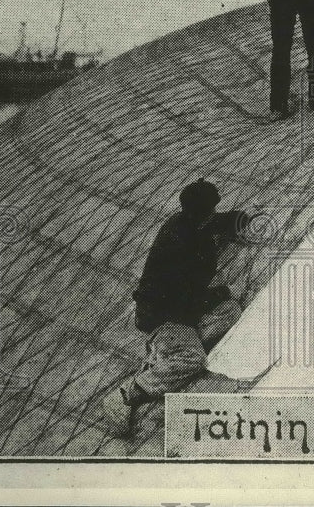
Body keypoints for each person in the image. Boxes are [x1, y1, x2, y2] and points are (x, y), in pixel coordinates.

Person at [101, 179, 253, 437]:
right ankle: (129, 393)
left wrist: (238, 220)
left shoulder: (186, 222)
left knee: (230, 312)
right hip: (166, 316)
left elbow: (219, 222)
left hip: (179, 310)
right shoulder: (183, 243)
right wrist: (221, 292)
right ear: (200, 212)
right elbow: (189, 296)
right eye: (210, 211)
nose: (213, 215)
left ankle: (168, 353)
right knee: (192, 358)